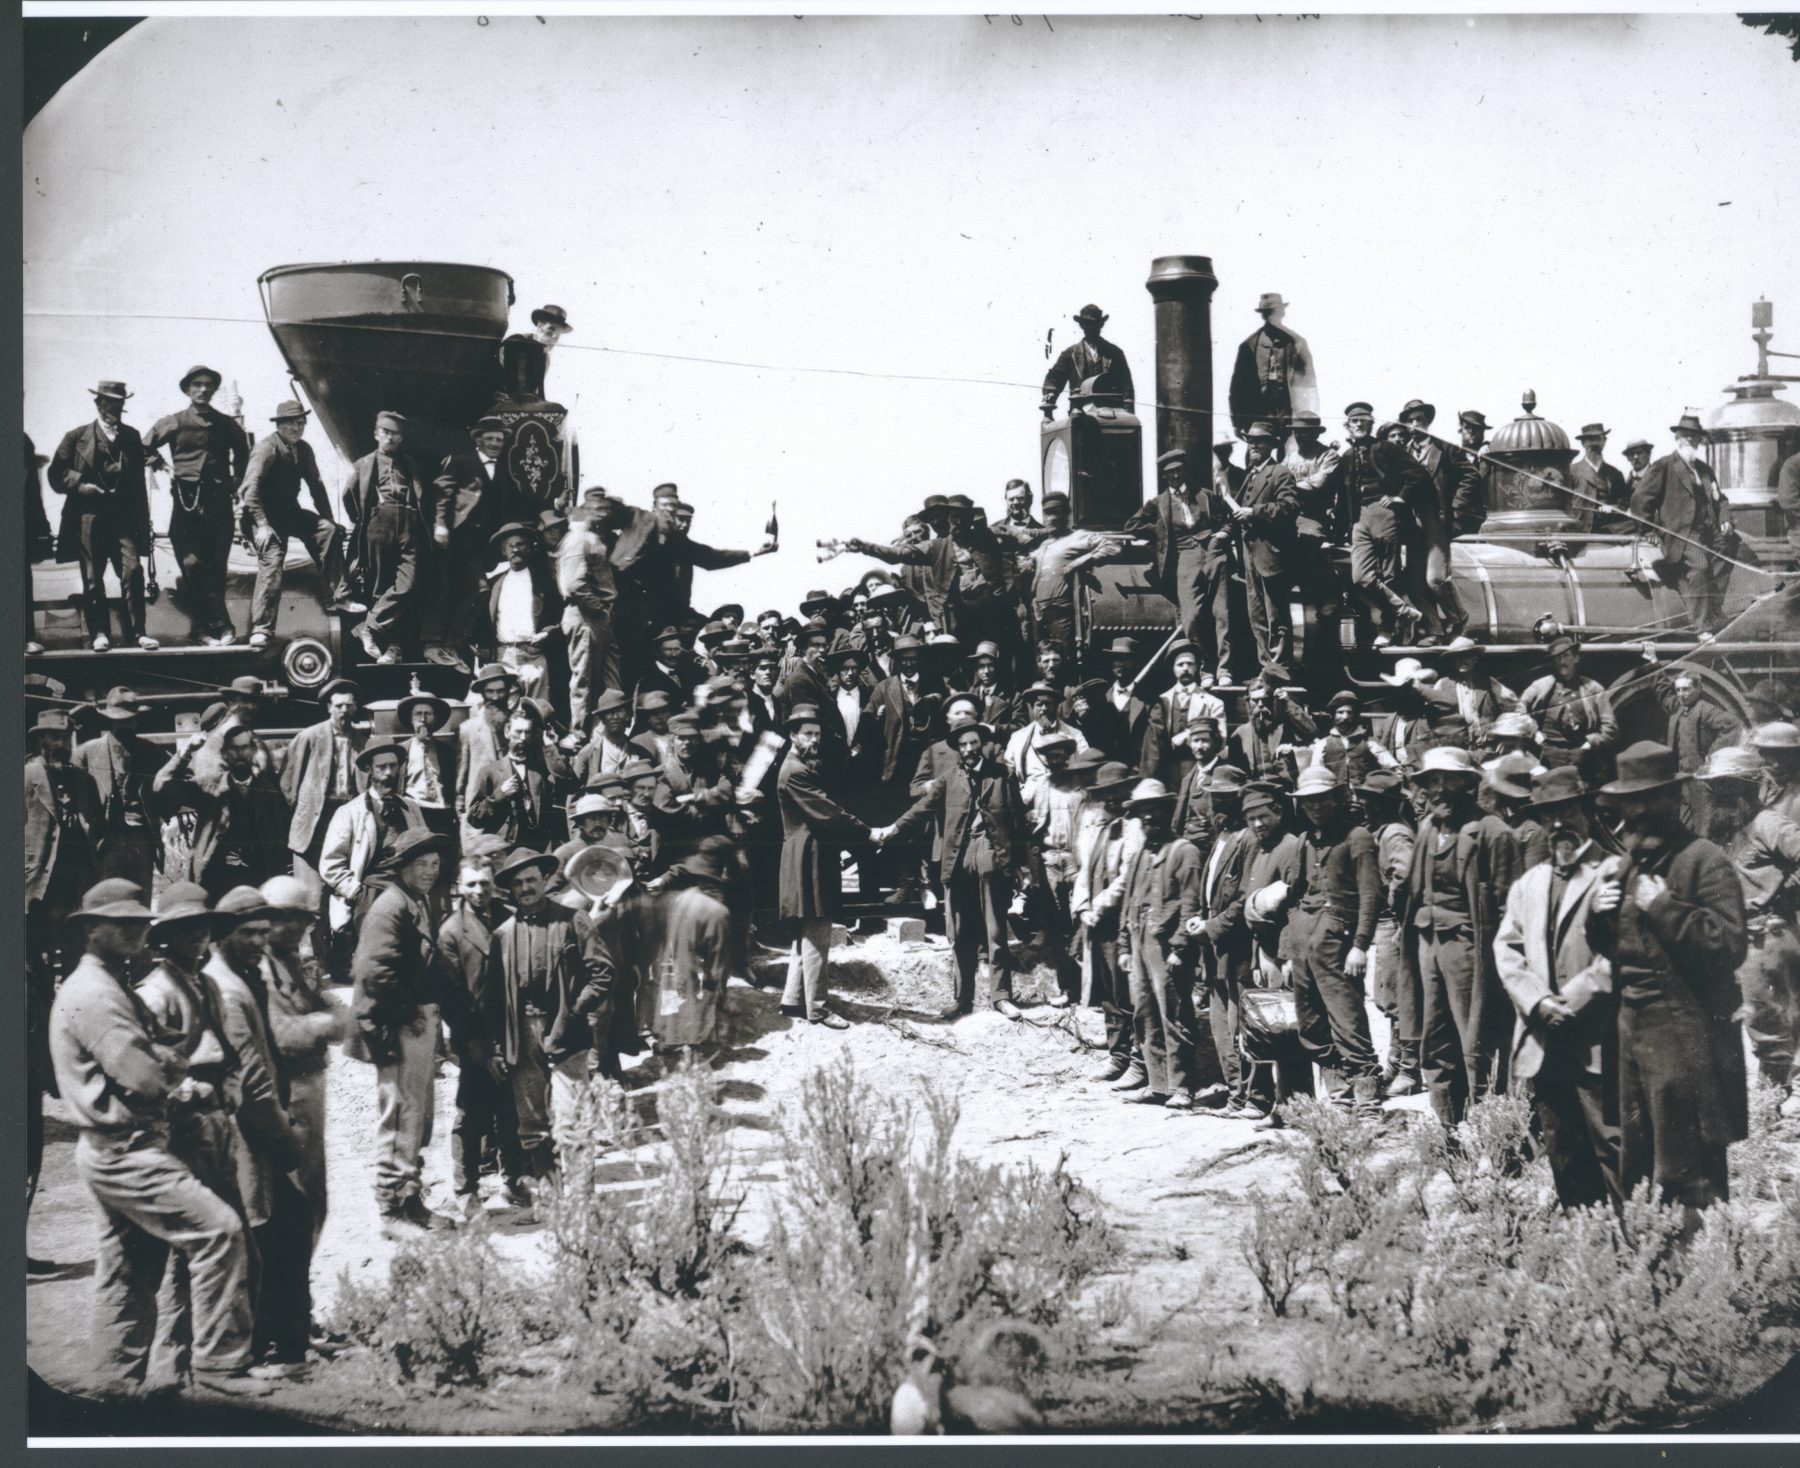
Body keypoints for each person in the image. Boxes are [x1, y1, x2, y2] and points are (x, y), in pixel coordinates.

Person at [49, 880, 259, 1392]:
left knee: (130, 1272)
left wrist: (169, 1063)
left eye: (138, 923)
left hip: (116, 1147)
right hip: (126, 1149)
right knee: (220, 1231)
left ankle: (112, 1388)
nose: (134, 931)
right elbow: (147, 1075)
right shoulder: (97, 993)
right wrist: (184, 1080)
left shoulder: (109, 984)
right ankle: (218, 1368)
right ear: (90, 930)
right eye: (121, 924)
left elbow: (159, 1056)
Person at [1587, 742, 1747, 1233]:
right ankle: (1648, 1268)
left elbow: (1730, 943)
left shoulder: (1704, 860)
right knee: (1637, 1154)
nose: (1636, 812)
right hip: (1632, 1031)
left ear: (1671, 799)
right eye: (1628, 802)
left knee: (1687, 1161)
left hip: (1687, 1033)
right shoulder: (1623, 865)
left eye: (1647, 799)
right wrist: (1598, 917)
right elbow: (1614, 951)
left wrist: (1665, 907)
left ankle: (1694, 1278)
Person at [1492, 766, 1623, 1210]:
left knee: (1611, 1142)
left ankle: (1632, 1245)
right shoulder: (1529, 884)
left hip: (1599, 1035)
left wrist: (1577, 997)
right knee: (1562, 1143)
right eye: (1548, 815)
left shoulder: (1614, 872)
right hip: (1544, 1035)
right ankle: (1581, 1235)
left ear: (1587, 811)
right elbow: (1507, 950)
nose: (1558, 823)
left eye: (1566, 810)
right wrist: (1539, 1000)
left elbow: (1623, 950)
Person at [205, 887, 311, 1373]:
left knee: (284, 1227)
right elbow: (252, 1082)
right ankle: (268, 1349)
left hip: (257, 1131)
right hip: (248, 1134)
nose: (257, 941)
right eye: (246, 933)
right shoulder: (227, 988)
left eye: (262, 933)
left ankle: (287, 1344)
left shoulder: (247, 976)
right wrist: (286, 1140)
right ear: (221, 936)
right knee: (267, 1233)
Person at [883, 717, 1029, 1020]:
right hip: (957, 859)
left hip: (991, 854)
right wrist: (893, 829)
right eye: (963, 745)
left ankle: (1001, 996)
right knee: (959, 932)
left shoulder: (1001, 775)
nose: (969, 749)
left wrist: (1019, 864)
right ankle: (962, 999)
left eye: (974, 743)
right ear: (957, 749)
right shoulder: (948, 778)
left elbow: (1017, 823)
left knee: (996, 930)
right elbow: (921, 810)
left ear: (983, 745)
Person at [350, 827, 456, 1236]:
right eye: (422, 864)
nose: (430, 871)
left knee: (417, 1119)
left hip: (414, 1026)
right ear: (405, 866)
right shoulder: (391, 906)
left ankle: (411, 1201)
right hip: (396, 1029)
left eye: (435, 864)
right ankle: (391, 1212)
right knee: (398, 1121)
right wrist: (407, 1015)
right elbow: (372, 971)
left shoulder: (414, 901)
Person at [487, 848, 611, 1187]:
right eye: (518, 883)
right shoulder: (502, 936)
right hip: (522, 1034)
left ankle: (582, 1201)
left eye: (531, 880)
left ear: (544, 880)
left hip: (566, 1031)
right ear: (510, 890)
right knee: (532, 1125)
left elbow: (602, 973)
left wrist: (575, 1012)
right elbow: (495, 999)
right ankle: (551, 1200)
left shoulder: (573, 920)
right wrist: (498, 1046)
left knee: (573, 1121)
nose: (525, 888)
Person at [1694, 747, 1800, 1120]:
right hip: (1738, 940)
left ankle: (1772, 1111)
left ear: (1749, 787)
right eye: (1715, 789)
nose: (1720, 796)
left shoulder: (1768, 823)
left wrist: (1776, 894)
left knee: (1769, 1026)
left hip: (1767, 938)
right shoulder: (1726, 830)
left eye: (1728, 788)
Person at [1399, 746, 1488, 1127]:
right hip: (1427, 946)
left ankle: (1490, 1130)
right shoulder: (1426, 829)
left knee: (1475, 1039)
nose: (1439, 789)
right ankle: (1447, 1128)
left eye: (1448, 780)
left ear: (1467, 784)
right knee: (1433, 1039)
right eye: (1433, 781)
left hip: (1467, 948)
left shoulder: (1484, 830)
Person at [259, 874, 349, 1255]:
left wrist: (326, 1021)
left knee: (314, 1196)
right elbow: (284, 1034)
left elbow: (339, 1016)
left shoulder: (294, 960)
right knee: (295, 1203)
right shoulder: (261, 968)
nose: (295, 926)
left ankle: (298, 1300)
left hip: (310, 1087)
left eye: (303, 919)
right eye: (284, 917)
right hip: (287, 1093)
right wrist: (325, 1023)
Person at [433, 858, 528, 1218]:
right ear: (459, 886)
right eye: (471, 884)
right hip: (474, 1035)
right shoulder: (452, 931)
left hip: (513, 1030)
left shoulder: (510, 915)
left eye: (485, 883)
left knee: (511, 1109)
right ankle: (465, 1188)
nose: (479, 891)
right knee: (471, 1114)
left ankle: (514, 1179)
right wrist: (479, 1047)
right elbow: (452, 997)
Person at [1286, 767, 1383, 1116]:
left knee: (1348, 1020)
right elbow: (1296, 894)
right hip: (1303, 942)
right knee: (1311, 1023)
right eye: (1307, 802)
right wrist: (1290, 945)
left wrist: (1360, 945)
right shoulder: (1303, 841)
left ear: (1336, 799)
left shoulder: (1357, 837)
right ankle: (1339, 1094)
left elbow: (1371, 896)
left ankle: (1368, 1098)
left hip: (1338, 943)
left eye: (1320, 799)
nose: (1314, 807)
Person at [240, 400, 362, 650]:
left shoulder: (303, 449)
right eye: (292, 423)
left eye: (301, 423)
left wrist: (328, 518)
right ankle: (262, 628)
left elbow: (316, 487)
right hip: (260, 515)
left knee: (326, 531)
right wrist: (262, 525)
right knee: (273, 558)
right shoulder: (266, 449)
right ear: (280, 425)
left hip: (288, 512)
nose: (297, 428)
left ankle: (337, 597)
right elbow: (249, 491)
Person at [776, 707, 869, 1029]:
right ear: (792, 736)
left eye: (817, 734)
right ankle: (817, 1008)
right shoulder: (795, 772)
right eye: (807, 734)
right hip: (808, 857)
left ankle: (791, 999)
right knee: (818, 931)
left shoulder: (798, 766)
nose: (814, 740)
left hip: (807, 854)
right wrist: (867, 832)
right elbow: (828, 812)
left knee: (808, 931)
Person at [1116, 779, 1206, 1110]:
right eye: (1143, 815)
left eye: (1154, 813)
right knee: (1144, 1013)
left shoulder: (1184, 852)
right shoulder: (1140, 853)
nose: (1149, 820)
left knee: (1175, 1014)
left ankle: (1182, 1086)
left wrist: (1181, 947)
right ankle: (1158, 1083)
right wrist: (1124, 946)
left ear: (1167, 813)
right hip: (1139, 943)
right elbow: (1129, 900)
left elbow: (1190, 903)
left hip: (1166, 947)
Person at [143, 367, 249, 647]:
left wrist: (234, 484)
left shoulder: (227, 424)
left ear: (214, 390)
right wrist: (162, 466)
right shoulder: (174, 422)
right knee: (191, 564)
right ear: (188, 389)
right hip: (186, 504)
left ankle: (201, 629)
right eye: (197, 384)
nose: (203, 389)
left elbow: (243, 455)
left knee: (216, 567)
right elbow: (142, 447)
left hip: (219, 506)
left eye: (208, 385)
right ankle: (222, 623)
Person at [49, 379, 157, 651]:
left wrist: (144, 525)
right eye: (109, 402)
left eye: (119, 403)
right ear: (98, 403)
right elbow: (55, 474)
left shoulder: (131, 437)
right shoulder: (76, 437)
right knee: (93, 577)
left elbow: (139, 487)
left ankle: (139, 633)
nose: (114, 408)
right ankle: (100, 633)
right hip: (89, 518)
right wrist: (80, 486)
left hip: (123, 519)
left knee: (133, 571)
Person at [280, 678, 368, 977]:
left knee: (346, 896)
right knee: (312, 901)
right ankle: (314, 966)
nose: (344, 711)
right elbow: (288, 782)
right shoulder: (310, 737)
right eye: (338, 705)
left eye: (349, 705)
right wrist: (302, 815)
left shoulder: (361, 739)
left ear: (355, 708)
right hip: (314, 826)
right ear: (329, 707)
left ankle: (341, 964)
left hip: (346, 821)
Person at [1123, 449, 1235, 676]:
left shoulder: (1205, 495)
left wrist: (1223, 534)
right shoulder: (1158, 503)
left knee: (1223, 613)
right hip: (1185, 557)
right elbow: (1131, 525)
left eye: (1178, 471)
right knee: (1191, 616)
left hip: (1213, 552)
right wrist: (1160, 531)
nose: (1175, 476)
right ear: (1165, 476)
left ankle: (1225, 670)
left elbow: (1229, 521)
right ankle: (1205, 668)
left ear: (1185, 471)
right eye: (1170, 473)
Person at [1189, 766, 1261, 1117]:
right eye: (1215, 797)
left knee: (1238, 1024)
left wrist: (1213, 925)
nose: (1218, 804)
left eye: (1226, 798)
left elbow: (1245, 896)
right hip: (1215, 948)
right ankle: (1236, 1094)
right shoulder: (1220, 838)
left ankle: (1250, 1097)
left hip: (1238, 947)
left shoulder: (1247, 839)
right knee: (1220, 1025)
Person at [1328, 402, 1430, 647]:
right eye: (1355, 421)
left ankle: (1388, 628)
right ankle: (1403, 612)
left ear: (1371, 424)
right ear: (1348, 426)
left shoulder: (1385, 448)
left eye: (1364, 421)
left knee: (1389, 574)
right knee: (1361, 577)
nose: (1359, 424)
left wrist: (1400, 497)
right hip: (1359, 517)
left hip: (1384, 512)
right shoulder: (1347, 456)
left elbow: (1417, 474)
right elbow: (1342, 495)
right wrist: (1338, 529)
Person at [155, 722, 292, 899]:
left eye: (244, 748)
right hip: (217, 878)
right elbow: (161, 785)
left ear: (252, 751)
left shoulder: (269, 792)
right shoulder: (209, 787)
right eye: (234, 749)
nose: (240, 753)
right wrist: (185, 754)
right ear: (224, 754)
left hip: (259, 880)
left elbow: (279, 841)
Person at [1630, 414, 1733, 633]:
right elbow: (1640, 499)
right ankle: (1702, 625)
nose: (1691, 441)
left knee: (1731, 549)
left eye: (1695, 438)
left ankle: (1714, 606)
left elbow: (1720, 499)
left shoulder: (1704, 469)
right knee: (1701, 566)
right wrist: (1648, 529)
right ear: (1678, 439)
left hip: (1708, 530)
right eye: (1686, 436)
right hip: (1681, 534)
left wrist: (1724, 518)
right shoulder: (1664, 466)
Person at [419, 416, 508, 673]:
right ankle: (444, 645)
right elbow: (443, 493)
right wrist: (441, 525)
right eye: (490, 439)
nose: (494, 444)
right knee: (470, 589)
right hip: (456, 537)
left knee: (471, 590)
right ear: (479, 440)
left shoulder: (501, 470)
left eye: (499, 440)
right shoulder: (461, 461)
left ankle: (451, 646)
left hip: (480, 545)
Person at [342, 410, 431, 665]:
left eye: (396, 434)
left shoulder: (411, 465)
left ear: (402, 439)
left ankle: (368, 627)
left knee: (408, 584)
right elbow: (349, 496)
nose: (390, 438)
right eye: (386, 432)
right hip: (378, 525)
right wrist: (364, 521)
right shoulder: (364, 464)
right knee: (381, 587)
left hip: (409, 526)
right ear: (376, 434)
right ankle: (393, 647)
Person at [1073, 761, 1142, 1084]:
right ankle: (1118, 1054)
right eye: (1107, 796)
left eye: (1118, 794)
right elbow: (1086, 872)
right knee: (1107, 993)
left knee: (1126, 990)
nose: (1113, 801)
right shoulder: (1101, 828)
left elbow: (1126, 878)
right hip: (1098, 923)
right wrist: (1082, 907)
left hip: (1122, 922)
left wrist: (1100, 906)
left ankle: (1137, 1060)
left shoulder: (1134, 829)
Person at [318, 739, 429, 939]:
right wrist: (357, 893)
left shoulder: (411, 808)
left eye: (393, 766)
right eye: (382, 767)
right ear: (369, 769)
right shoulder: (350, 812)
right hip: (370, 894)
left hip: (409, 893)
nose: (388, 773)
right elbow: (330, 863)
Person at [1358, 770, 1421, 1096]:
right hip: (1386, 921)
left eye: (1369, 799)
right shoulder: (1380, 831)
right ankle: (1396, 1065)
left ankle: (1409, 1070)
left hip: (1393, 923)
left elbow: (1406, 875)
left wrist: (1396, 910)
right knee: (1389, 996)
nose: (1363, 804)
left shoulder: (1395, 834)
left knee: (1398, 998)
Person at [70, 689, 163, 897]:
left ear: (136, 721)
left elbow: (174, 780)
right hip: (105, 837)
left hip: (142, 838)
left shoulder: (151, 752)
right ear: (109, 721)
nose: (125, 725)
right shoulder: (86, 753)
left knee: (139, 896)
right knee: (106, 898)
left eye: (129, 720)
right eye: (118, 720)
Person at [1396, 399, 1473, 644]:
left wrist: (1456, 508)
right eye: (1411, 421)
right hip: (1411, 525)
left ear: (1428, 422)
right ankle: (1435, 630)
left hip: (1435, 523)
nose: (1416, 424)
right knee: (1415, 584)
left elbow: (1470, 476)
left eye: (1420, 419)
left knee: (1436, 579)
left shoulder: (1446, 449)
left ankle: (1459, 618)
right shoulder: (1400, 452)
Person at [1018, 492, 1132, 651]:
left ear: (1066, 514)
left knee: (1064, 658)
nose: (1050, 518)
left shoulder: (1078, 537)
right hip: (1038, 613)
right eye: (1047, 513)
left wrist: (1079, 562)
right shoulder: (1044, 545)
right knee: (1041, 660)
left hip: (1060, 611)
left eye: (1055, 512)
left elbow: (1113, 547)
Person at [1232, 423, 1302, 668]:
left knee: (1276, 616)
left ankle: (1280, 667)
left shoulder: (1280, 473)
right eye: (1250, 441)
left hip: (1271, 556)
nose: (1254, 446)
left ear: (1271, 445)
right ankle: (1267, 667)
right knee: (1257, 615)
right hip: (1250, 557)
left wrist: (1253, 512)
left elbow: (1289, 507)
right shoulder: (1250, 475)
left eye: (1260, 441)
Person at [467, 706, 572, 853]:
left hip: (538, 848)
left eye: (527, 732)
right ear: (507, 732)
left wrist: (549, 745)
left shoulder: (543, 770)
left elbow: (569, 785)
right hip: (503, 849)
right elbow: (474, 818)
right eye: (518, 732)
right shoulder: (489, 772)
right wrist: (499, 795)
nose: (523, 738)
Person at [557, 487, 620, 731]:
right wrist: (599, 608)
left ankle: (605, 734)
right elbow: (574, 584)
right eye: (596, 509)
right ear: (585, 511)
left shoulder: (596, 539)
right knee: (584, 681)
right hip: (585, 615)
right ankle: (580, 734)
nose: (602, 514)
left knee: (609, 679)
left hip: (599, 617)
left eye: (605, 509)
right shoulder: (578, 539)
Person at [1518, 635, 1619, 785]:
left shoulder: (1593, 688)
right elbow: (1517, 710)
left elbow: (1610, 728)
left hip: (1582, 757)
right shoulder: (1540, 687)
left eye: (1566, 656)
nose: (1562, 662)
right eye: (1557, 658)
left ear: (1576, 658)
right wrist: (1535, 733)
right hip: (1550, 757)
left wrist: (1589, 744)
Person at [485, 521, 561, 694]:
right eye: (510, 546)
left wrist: (548, 632)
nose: (515, 550)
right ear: (503, 551)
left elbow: (560, 616)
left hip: (533, 654)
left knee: (536, 708)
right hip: (502, 655)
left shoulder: (544, 582)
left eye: (520, 544)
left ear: (529, 548)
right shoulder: (495, 583)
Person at [1227, 292, 1318, 436]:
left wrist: (1308, 422)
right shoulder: (1249, 346)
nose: (1272, 317)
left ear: (1282, 313)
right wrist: (1238, 423)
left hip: (1290, 414)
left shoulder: (1297, 343)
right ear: (1263, 315)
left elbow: (1309, 384)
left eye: (1275, 312)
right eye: (1267, 313)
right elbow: (1238, 388)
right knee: (1258, 451)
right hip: (1260, 416)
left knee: (1290, 454)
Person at [1041, 303, 1134, 418]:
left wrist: (1128, 416)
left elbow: (1127, 388)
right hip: (1080, 416)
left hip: (1111, 416)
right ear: (1082, 326)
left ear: (1101, 325)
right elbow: (1055, 378)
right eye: (1087, 324)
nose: (1091, 328)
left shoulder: (1115, 353)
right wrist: (1050, 393)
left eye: (1094, 324)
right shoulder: (1070, 354)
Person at [1431, 637, 1518, 742]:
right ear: (1452, 661)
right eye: (1457, 657)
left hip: (1485, 747)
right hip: (1455, 747)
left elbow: (1515, 706)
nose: (1462, 660)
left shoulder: (1489, 682)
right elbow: (1431, 716)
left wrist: (1507, 739)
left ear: (1475, 659)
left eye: (1466, 656)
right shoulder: (1442, 684)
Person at [399, 691, 457, 833]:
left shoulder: (446, 752)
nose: (423, 719)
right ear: (411, 719)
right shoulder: (401, 751)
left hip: (442, 813)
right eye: (418, 714)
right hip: (415, 812)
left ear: (435, 719)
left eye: (428, 714)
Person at [498, 303, 572, 405]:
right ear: (540, 324)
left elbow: (535, 390)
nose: (554, 336)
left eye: (558, 333)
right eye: (551, 330)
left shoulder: (545, 356)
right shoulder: (517, 342)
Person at [1569, 422, 1633, 534]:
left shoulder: (1615, 473)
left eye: (1598, 439)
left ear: (1604, 441)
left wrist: (1613, 507)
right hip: (1579, 532)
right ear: (1583, 443)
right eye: (1590, 439)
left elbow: (1623, 503)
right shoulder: (1572, 471)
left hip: (1608, 533)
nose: (1594, 443)